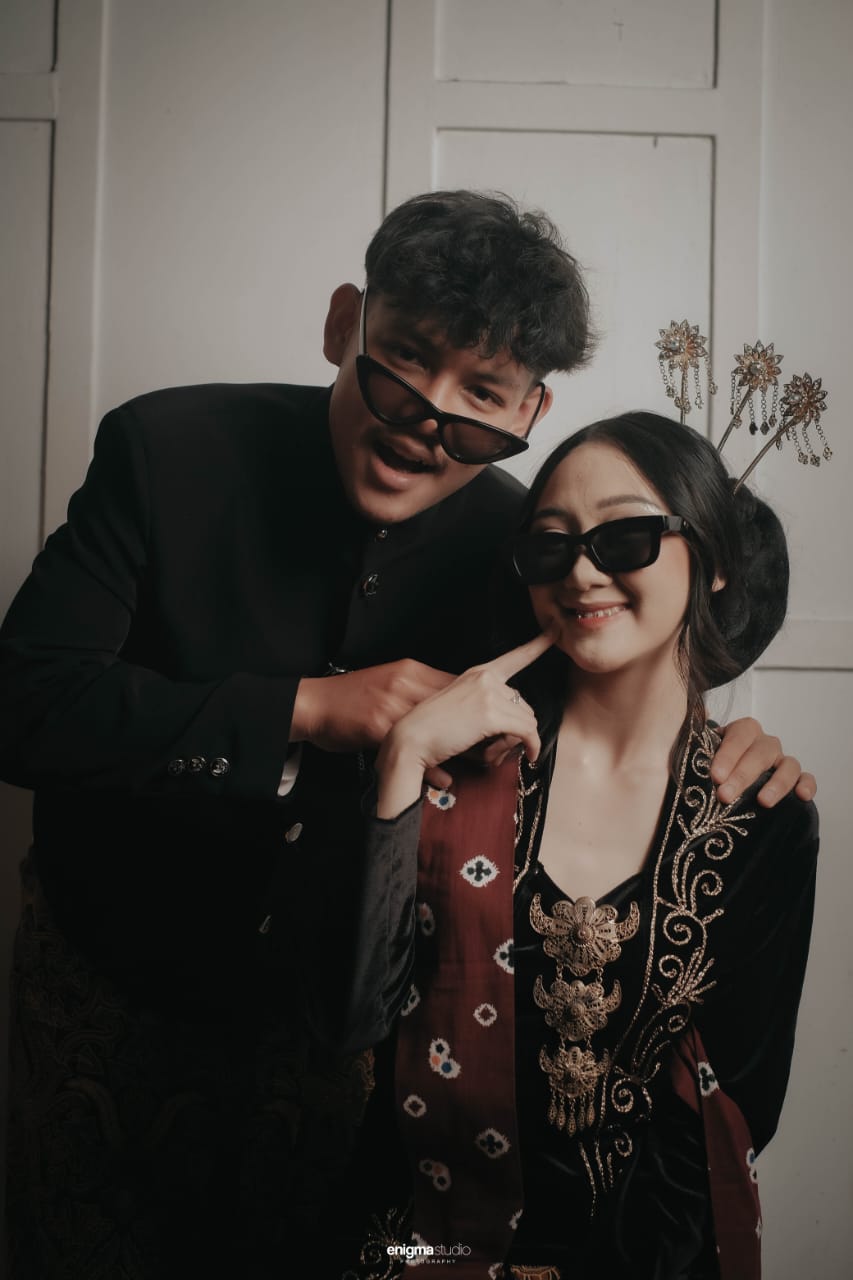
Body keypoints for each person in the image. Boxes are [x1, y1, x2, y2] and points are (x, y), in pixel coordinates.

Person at [0, 193, 812, 1278]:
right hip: (110, 986)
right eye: (406, 359)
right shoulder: (165, 449)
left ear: (530, 407)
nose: (426, 419)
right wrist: (300, 708)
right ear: (346, 322)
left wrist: (738, 748)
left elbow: (626, 669)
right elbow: (26, 705)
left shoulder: (530, 544)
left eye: (480, 395)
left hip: (349, 1062)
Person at [330, 411, 819, 1279]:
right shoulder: (455, 766)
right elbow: (350, 1019)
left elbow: (732, 1110)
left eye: (625, 537)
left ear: (712, 559)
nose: (582, 571)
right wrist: (401, 758)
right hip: (413, 1245)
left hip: (637, 1260)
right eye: (550, 546)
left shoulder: (762, 816)